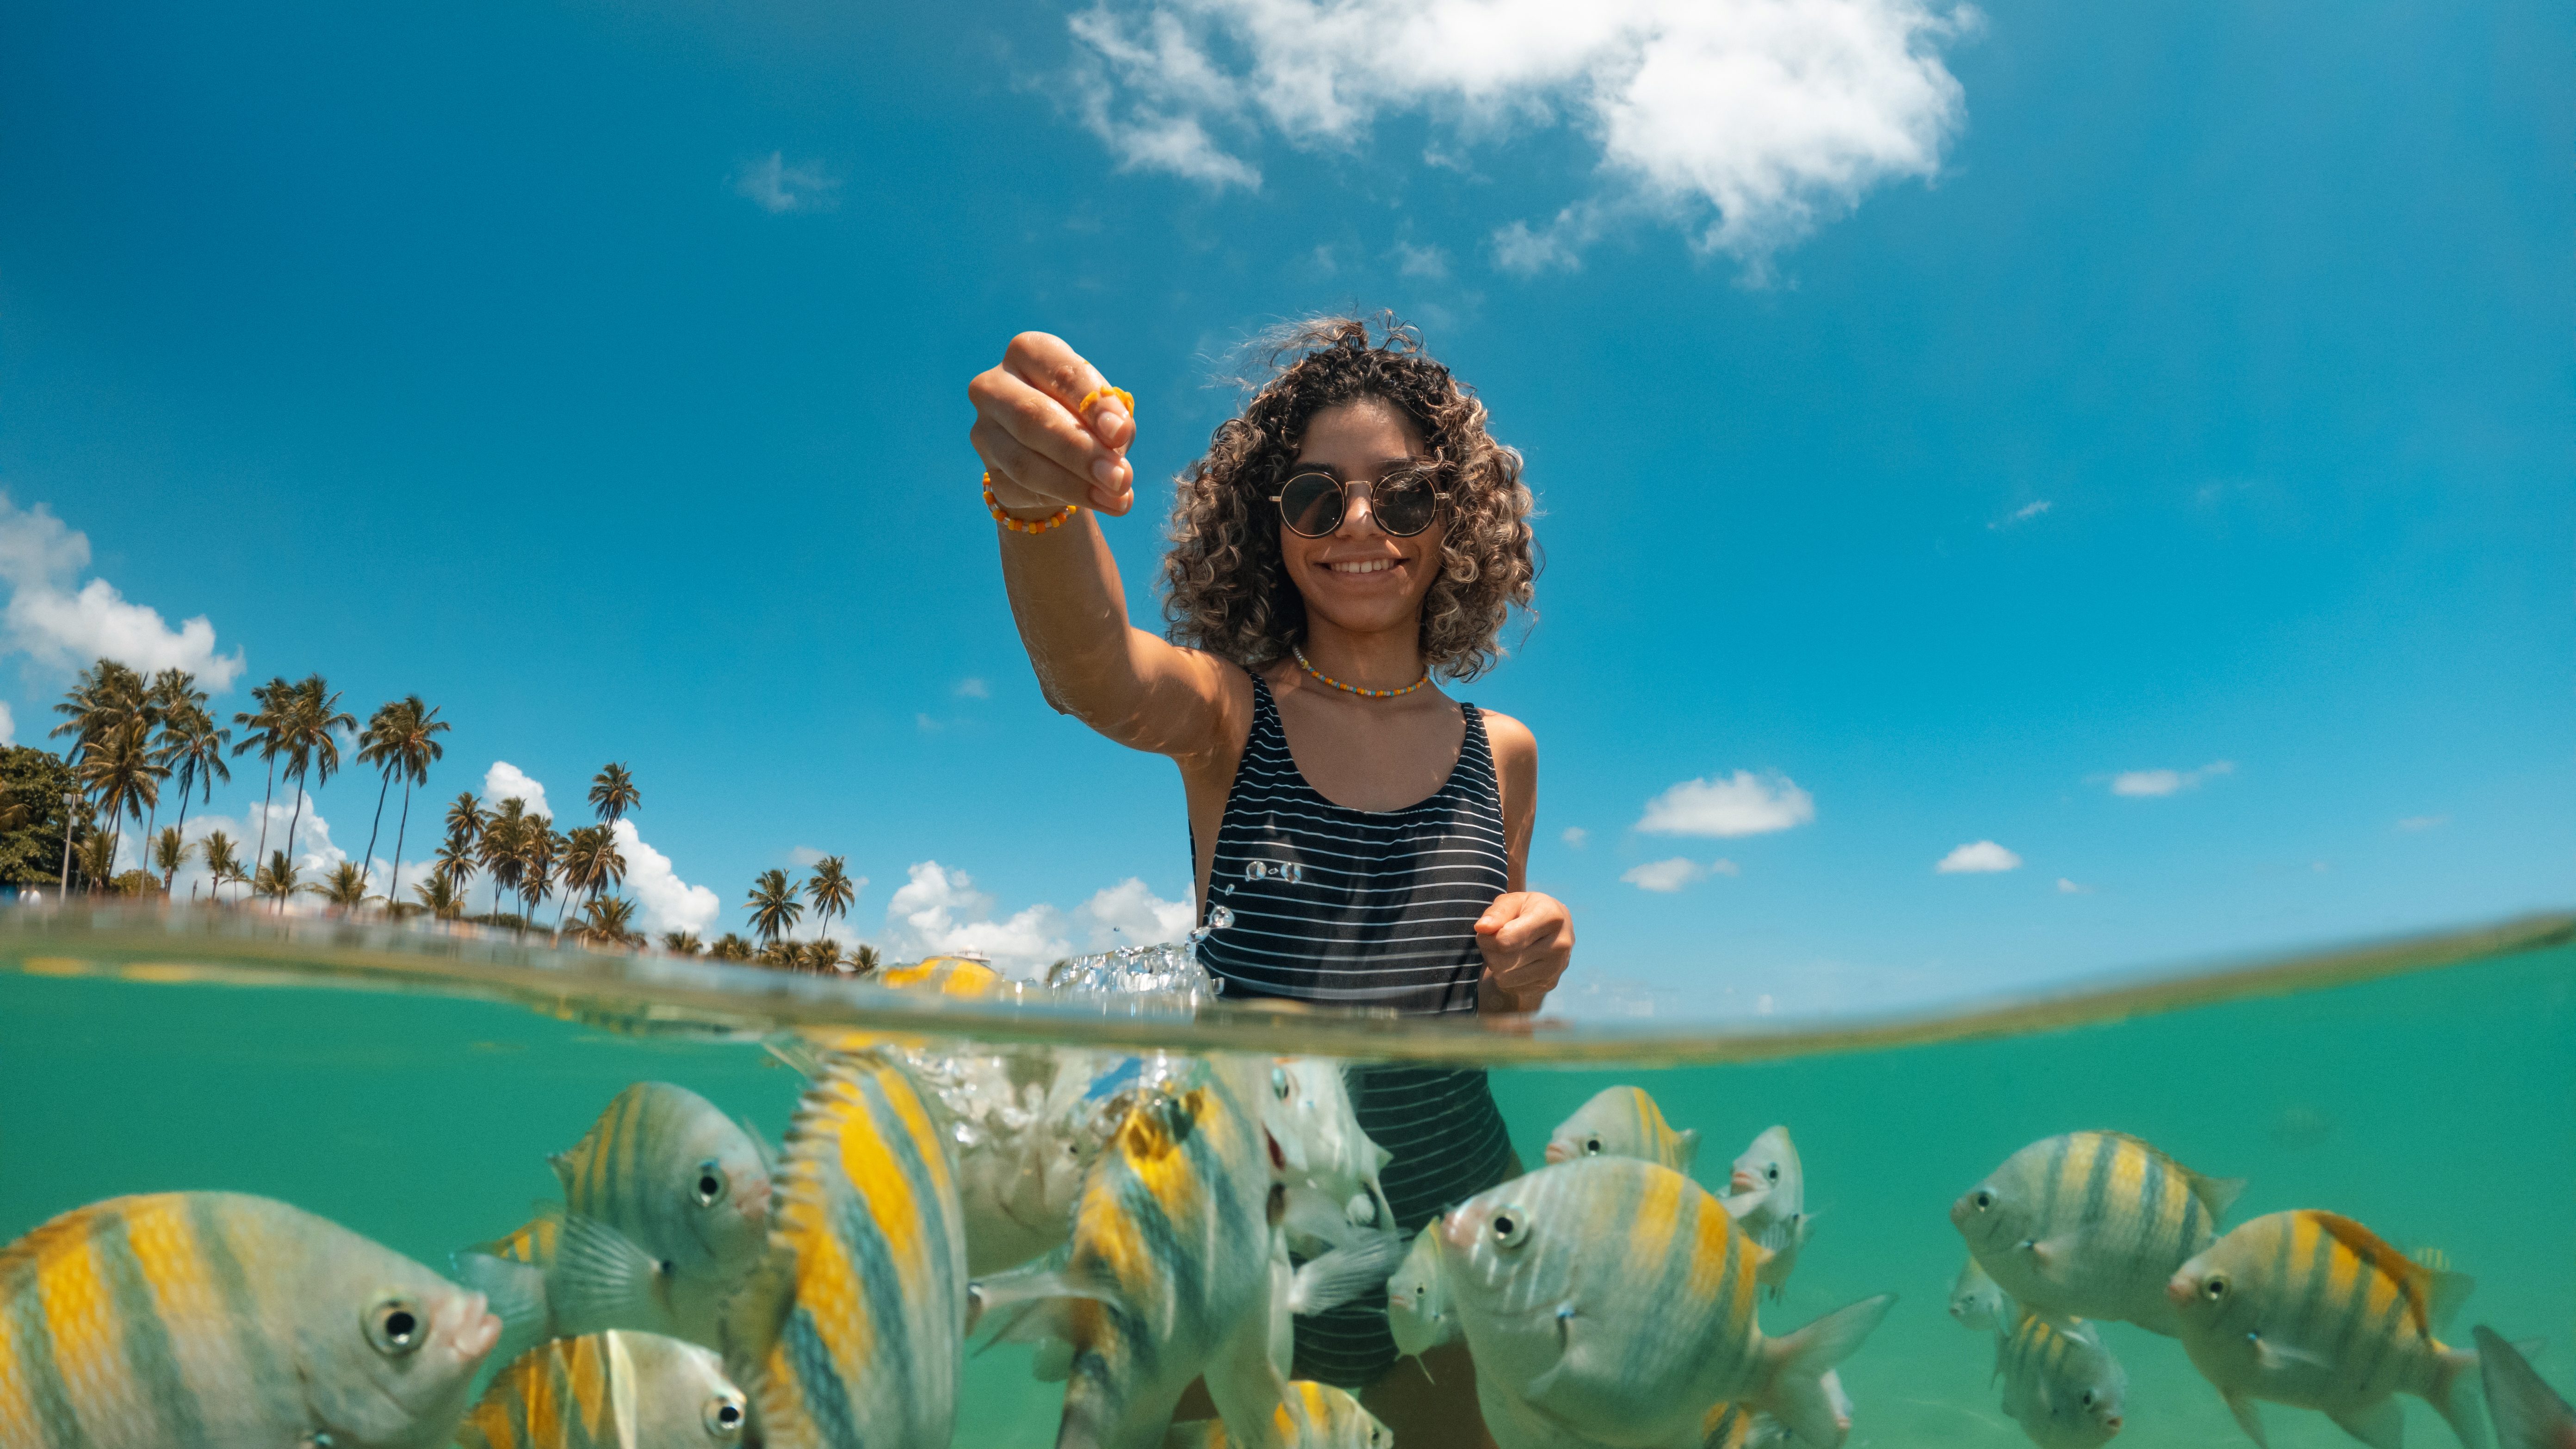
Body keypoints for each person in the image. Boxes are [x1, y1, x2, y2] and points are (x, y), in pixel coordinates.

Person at [966, 316, 1574, 1446]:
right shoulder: (1230, 718)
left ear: (1457, 522)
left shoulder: (1507, 754)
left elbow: (1490, 1016)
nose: (1359, 525)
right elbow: (1092, 671)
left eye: (1403, 497)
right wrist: (1037, 502)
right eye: (1314, 498)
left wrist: (1527, 972)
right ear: (1268, 523)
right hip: (1223, 1255)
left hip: (1445, 1258)